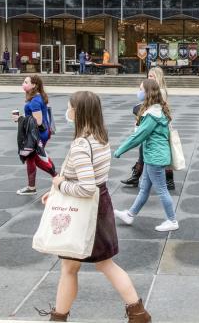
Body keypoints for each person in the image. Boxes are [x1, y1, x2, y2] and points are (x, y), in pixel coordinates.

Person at [40, 91, 151, 323]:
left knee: (73, 268)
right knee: (102, 264)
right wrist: (57, 192)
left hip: (85, 210)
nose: (67, 111)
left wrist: (59, 184)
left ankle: (59, 318)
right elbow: (92, 183)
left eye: (70, 107)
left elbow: (86, 187)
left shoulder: (81, 144)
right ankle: (138, 313)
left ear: (78, 112)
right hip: (100, 205)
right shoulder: (100, 137)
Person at [114, 78, 179, 232]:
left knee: (162, 189)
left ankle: (172, 220)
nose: (139, 91)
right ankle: (130, 214)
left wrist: (120, 150)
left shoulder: (151, 115)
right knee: (144, 188)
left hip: (155, 157)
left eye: (141, 89)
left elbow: (138, 137)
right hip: (155, 156)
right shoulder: (158, 110)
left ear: (148, 93)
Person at [16, 75, 56, 195]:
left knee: (35, 159)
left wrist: (20, 119)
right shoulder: (37, 97)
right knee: (35, 157)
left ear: (34, 85)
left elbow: (37, 122)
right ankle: (32, 186)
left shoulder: (35, 101)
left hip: (38, 134)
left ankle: (56, 177)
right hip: (42, 132)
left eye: (26, 82)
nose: (23, 84)